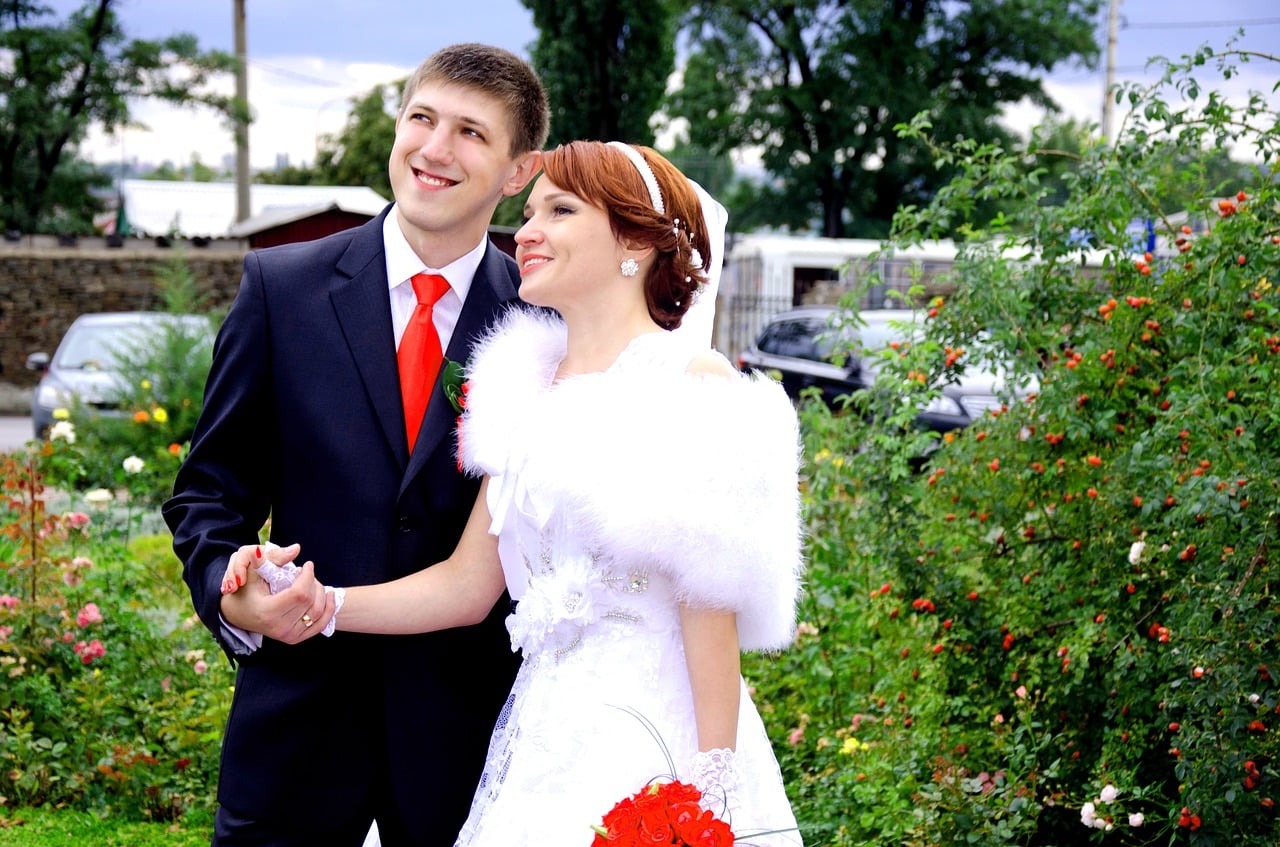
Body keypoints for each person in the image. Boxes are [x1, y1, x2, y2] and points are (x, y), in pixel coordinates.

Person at [223, 141, 806, 846]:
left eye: (559, 211)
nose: (526, 232)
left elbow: (709, 615)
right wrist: (323, 603)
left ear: (636, 240)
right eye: (528, 214)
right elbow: (467, 585)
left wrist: (709, 806)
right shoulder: (519, 385)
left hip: (662, 744)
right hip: (539, 741)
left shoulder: (692, 385)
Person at [161, 43, 550, 847]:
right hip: (294, 740)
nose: (434, 149)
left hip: (466, 752)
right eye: (421, 118)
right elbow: (208, 492)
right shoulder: (280, 288)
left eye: (471, 132)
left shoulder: (544, 323)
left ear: (519, 171)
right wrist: (232, 593)